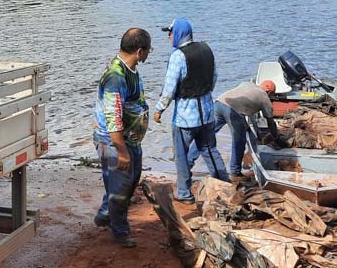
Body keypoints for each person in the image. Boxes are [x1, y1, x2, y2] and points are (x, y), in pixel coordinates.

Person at [153, 18, 227, 204]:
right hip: (207, 112)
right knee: (210, 150)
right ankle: (224, 186)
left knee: (181, 156)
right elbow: (214, 77)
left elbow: (169, 88)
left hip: (185, 117)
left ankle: (184, 193)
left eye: (170, 33)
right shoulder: (206, 50)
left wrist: (159, 109)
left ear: (178, 33)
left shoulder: (178, 56)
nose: (169, 37)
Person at [93, 28, 151, 248]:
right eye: (149, 50)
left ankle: (105, 214)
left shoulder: (130, 69)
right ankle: (120, 231)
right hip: (115, 141)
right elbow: (113, 117)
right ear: (139, 51)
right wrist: (122, 151)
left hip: (130, 139)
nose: (149, 53)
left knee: (130, 180)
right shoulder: (117, 77)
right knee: (121, 188)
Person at [206, 80, 280, 182]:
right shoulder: (264, 97)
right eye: (272, 94)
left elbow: (243, 105)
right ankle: (235, 172)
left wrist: (249, 129)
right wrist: (276, 137)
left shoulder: (248, 84)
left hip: (218, 103)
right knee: (239, 141)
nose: (270, 97)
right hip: (232, 110)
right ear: (268, 90)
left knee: (205, 137)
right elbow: (270, 122)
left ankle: (188, 161)